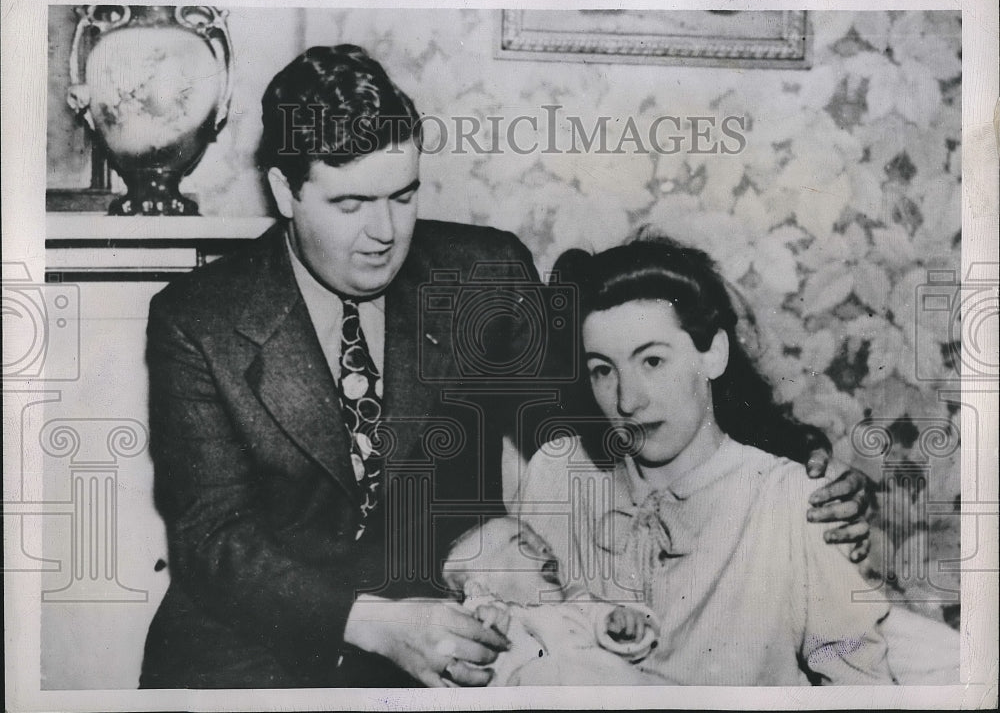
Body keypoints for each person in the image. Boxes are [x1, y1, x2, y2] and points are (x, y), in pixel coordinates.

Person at [139, 44, 871, 689]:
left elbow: (604, 409)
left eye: (403, 195)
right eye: (351, 202)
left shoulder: (484, 274)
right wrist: (370, 622)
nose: (384, 233)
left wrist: (801, 475)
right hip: (249, 651)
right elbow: (213, 539)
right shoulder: (197, 321)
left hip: (457, 640)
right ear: (284, 191)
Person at [513, 235, 897, 685]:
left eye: (652, 361)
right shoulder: (557, 474)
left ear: (713, 353)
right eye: (602, 369)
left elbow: (861, 686)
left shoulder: (797, 500)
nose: (628, 400)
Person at [441, 516, 668, 686]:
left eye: (544, 543)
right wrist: (480, 617)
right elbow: (461, 668)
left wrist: (622, 625)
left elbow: (610, 623)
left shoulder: (577, 604)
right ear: (481, 587)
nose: (544, 548)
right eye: (523, 544)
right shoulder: (493, 626)